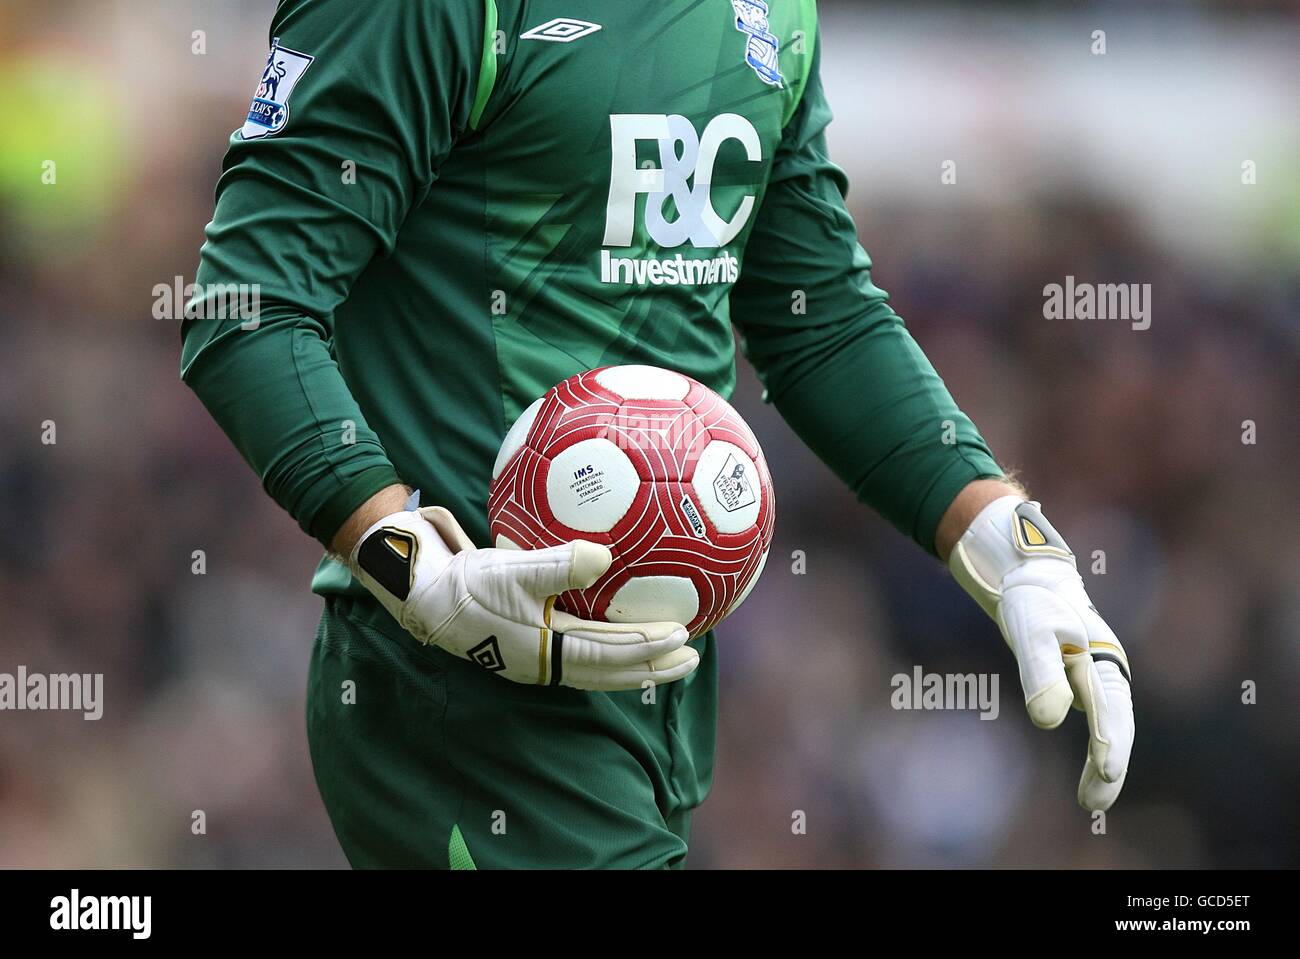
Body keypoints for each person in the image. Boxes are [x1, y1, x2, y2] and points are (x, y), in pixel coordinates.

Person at [181, 0, 1133, 868]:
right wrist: (406, 562)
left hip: (658, 687)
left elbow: (817, 315)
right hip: (464, 698)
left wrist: (1001, 532)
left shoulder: (773, 15)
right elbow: (245, 305)